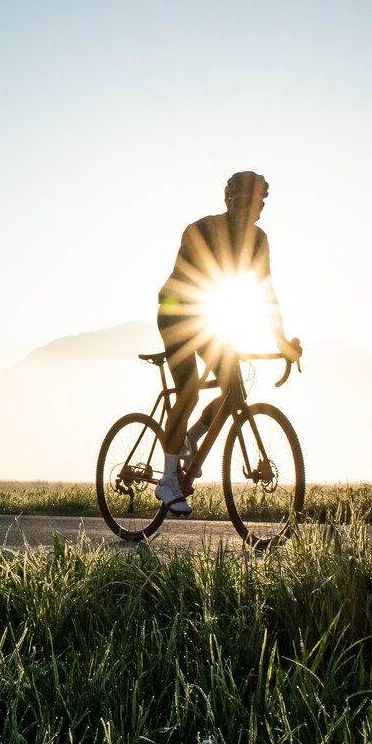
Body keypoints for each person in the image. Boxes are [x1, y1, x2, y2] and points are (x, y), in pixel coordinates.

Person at [153, 171, 302, 513]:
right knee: (188, 389)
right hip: (177, 312)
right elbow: (198, 284)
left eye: (259, 205)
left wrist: (282, 342)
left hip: (207, 318)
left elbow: (266, 295)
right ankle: (167, 479)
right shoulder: (200, 230)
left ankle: (190, 438)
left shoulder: (259, 241)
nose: (253, 212)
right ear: (228, 202)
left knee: (233, 388)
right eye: (246, 204)